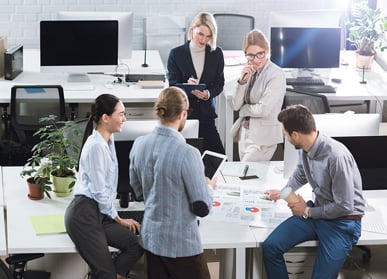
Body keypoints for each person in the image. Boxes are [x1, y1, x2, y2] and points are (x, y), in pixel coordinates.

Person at [263, 104, 366, 279]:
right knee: (270, 247)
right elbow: (301, 174)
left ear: (295, 134)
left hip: (342, 223)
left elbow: (345, 206)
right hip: (317, 213)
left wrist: (308, 211)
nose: (285, 137)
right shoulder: (305, 149)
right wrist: (282, 193)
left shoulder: (337, 157)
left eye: (285, 134)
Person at [129, 86, 217, 279]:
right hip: (181, 246)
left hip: (152, 241)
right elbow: (201, 207)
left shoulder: (139, 144)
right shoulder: (188, 153)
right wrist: (209, 188)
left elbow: (138, 194)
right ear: (183, 114)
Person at [65, 94, 143, 279]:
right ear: (105, 117)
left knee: (136, 245)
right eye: (121, 114)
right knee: (104, 273)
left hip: (100, 212)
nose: (125, 119)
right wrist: (120, 219)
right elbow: (99, 191)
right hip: (84, 214)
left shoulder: (108, 141)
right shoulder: (96, 147)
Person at [167, 12, 225, 154]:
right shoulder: (176, 54)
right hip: (184, 115)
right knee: (187, 157)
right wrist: (186, 85)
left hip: (206, 114)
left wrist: (207, 94)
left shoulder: (216, 53)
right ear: (192, 30)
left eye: (208, 36)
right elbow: (173, 85)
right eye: (200, 34)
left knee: (219, 156)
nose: (204, 39)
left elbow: (219, 83)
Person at [231, 29, 286, 161]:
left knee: (245, 175)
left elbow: (263, 109)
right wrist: (243, 81)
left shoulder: (276, 74)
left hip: (262, 139)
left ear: (267, 51)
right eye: (250, 55)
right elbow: (235, 105)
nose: (255, 59)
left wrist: (244, 110)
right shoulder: (250, 71)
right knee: (246, 178)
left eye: (260, 54)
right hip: (245, 134)